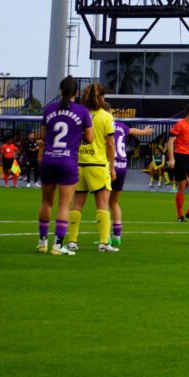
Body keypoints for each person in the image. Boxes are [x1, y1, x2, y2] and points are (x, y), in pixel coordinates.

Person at [37, 76, 93, 256]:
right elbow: (90, 138)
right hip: (68, 161)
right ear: (76, 93)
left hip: (49, 159)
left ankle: (42, 242)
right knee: (63, 205)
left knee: (46, 201)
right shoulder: (83, 111)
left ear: (60, 91)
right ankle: (58, 244)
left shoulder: (49, 109)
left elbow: (44, 136)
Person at [66, 83, 118, 253]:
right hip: (97, 164)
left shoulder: (78, 114)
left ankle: (72, 241)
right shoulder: (106, 116)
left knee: (77, 204)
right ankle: (104, 242)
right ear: (101, 97)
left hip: (78, 164)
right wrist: (112, 167)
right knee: (102, 204)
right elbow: (110, 144)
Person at [109, 110, 154, 248]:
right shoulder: (121, 126)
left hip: (109, 164)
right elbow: (133, 131)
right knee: (114, 203)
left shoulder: (101, 124)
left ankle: (104, 237)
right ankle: (117, 237)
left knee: (103, 202)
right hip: (122, 165)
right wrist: (145, 132)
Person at [168, 106, 189, 222]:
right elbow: (171, 141)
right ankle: (180, 215)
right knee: (182, 186)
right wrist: (171, 159)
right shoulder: (180, 124)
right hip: (181, 156)